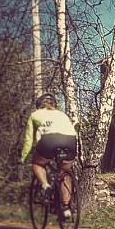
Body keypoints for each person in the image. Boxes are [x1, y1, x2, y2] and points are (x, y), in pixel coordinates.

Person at [21, 92, 78, 220]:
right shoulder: (62, 115)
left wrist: (23, 157)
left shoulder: (35, 115)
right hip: (70, 141)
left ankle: (45, 186)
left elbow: (29, 140)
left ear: (39, 106)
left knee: (37, 164)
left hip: (49, 141)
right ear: (55, 105)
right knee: (64, 172)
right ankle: (66, 208)